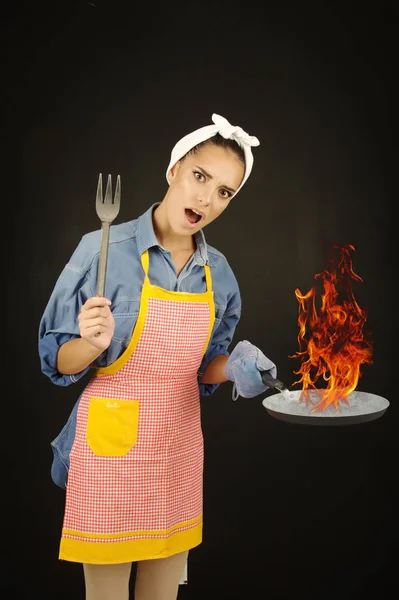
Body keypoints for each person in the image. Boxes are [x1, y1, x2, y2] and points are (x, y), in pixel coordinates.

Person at [38, 113, 278, 600]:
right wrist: (90, 344)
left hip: (177, 447)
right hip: (109, 453)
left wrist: (231, 367)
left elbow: (202, 367)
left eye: (224, 191)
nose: (206, 199)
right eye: (200, 176)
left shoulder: (219, 273)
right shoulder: (102, 248)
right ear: (174, 171)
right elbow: (57, 360)